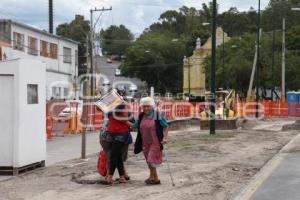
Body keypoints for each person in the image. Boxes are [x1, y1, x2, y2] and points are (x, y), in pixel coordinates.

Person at [134, 97, 169, 185]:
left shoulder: (157, 115)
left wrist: (165, 138)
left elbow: (165, 126)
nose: (146, 108)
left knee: (151, 159)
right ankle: (155, 178)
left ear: (152, 106)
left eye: (148, 106)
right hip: (145, 142)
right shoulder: (141, 116)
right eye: (144, 106)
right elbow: (135, 125)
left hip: (155, 141)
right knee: (148, 161)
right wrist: (124, 122)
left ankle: (153, 177)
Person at [101, 104, 132, 184]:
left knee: (114, 155)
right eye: (125, 109)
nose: (127, 110)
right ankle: (122, 177)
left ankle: (110, 176)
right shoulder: (112, 111)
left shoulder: (118, 111)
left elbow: (128, 120)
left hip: (121, 135)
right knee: (117, 156)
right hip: (111, 134)